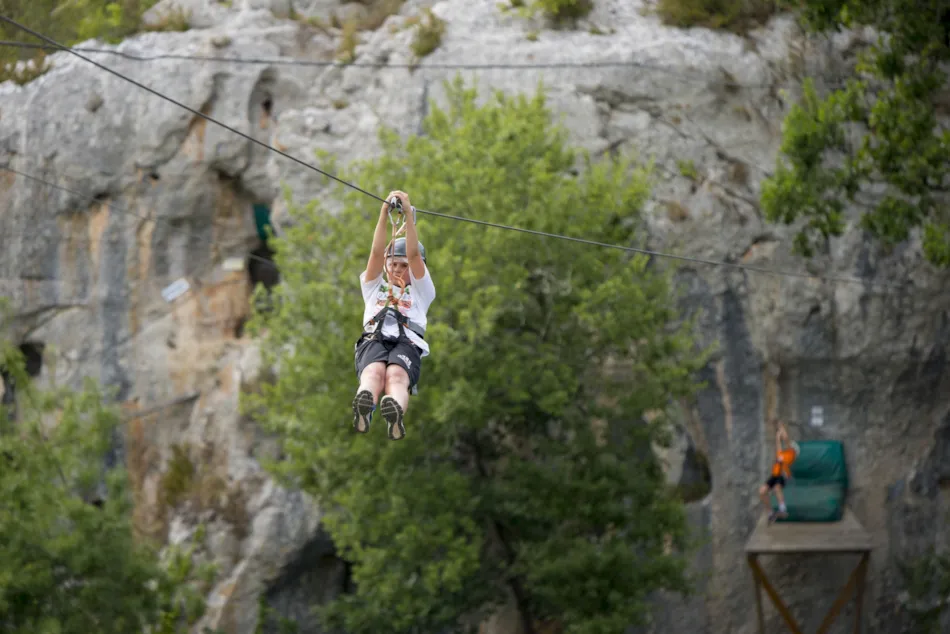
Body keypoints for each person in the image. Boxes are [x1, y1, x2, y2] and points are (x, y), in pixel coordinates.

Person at [351, 190, 436, 440]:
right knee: (374, 372)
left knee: (396, 376)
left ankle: (394, 411)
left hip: (407, 342)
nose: (397, 268)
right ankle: (364, 406)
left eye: (403, 265)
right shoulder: (373, 285)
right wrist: (382, 215)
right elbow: (377, 254)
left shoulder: (422, 291)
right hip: (374, 338)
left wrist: (408, 215)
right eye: (393, 263)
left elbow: (413, 255)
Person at [759, 419, 800, 524]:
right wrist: (777, 436)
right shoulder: (782, 454)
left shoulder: (791, 454)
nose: (787, 445)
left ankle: (783, 509)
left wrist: (781, 427)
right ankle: (770, 512)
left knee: (777, 488)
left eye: (790, 446)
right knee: (762, 491)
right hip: (775, 475)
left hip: (783, 475)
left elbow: (786, 439)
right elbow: (779, 445)